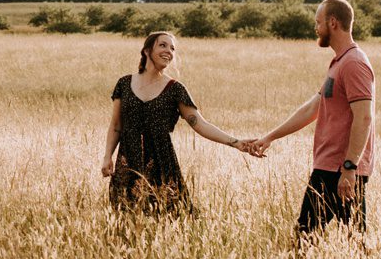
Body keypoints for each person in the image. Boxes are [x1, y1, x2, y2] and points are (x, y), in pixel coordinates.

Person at [244, 0, 375, 247]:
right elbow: (313, 108)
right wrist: (269, 137)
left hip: (342, 170)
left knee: (354, 241)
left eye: (318, 22)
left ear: (333, 23)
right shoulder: (338, 62)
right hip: (327, 167)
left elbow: (364, 116)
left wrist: (349, 168)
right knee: (306, 236)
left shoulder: (355, 63)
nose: (316, 28)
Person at [102, 30, 262, 213]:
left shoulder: (175, 89)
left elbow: (200, 124)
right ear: (146, 51)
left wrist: (236, 143)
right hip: (127, 162)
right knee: (126, 215)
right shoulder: (124, 84)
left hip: (162, 163)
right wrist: (107, 156)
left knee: (168, 215)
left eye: (172, 48)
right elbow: (116, 126)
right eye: (162, 45)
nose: (168, 51)